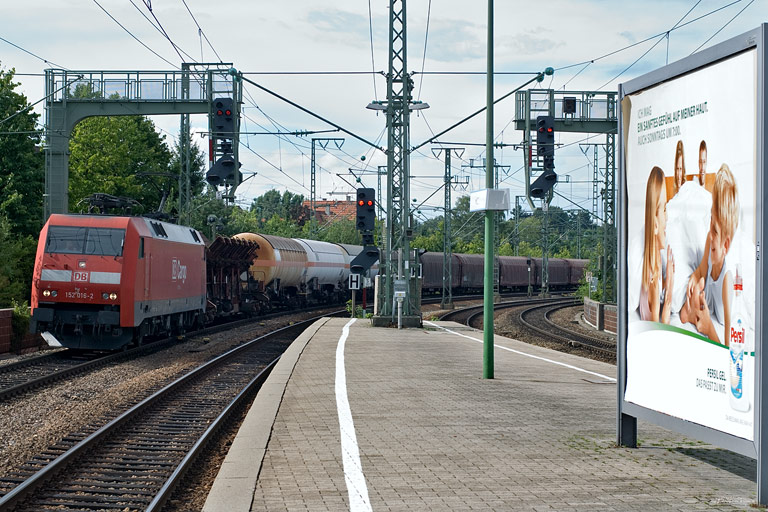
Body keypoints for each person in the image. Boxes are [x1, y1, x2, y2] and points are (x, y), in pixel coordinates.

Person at [679, 164, 739, 345]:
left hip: (716, 318)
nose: (710, 235)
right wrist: (695, 277)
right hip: (707, 302)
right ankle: (692, 314)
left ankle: (694, 316)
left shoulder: (728, 280)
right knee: (694, 293)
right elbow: (701, 270)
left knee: (691, 307)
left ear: (726, 244)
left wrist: (708, 328)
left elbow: (729, 348)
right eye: (710, 221)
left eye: (715, 230)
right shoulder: (709, 241)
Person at [639, 166, 675, 323]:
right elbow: (657, 334)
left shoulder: (656, 264)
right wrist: (668, 299)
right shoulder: (652, 280)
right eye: (665, 209)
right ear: (654, 224)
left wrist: (668, 281)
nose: (667, 218)